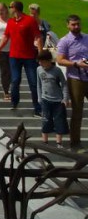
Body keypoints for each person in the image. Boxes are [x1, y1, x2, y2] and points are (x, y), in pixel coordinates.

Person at [0, 1, 43, 114]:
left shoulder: (30, 20)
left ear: (15, 8)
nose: (9, 9)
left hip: (29, 56)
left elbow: (38, 36)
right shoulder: (11, 22)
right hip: (14, 56)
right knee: (15, 80)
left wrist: (40, 54)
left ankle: (37, 108)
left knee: (33, 83)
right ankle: (14, 103)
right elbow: (6, 36)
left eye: (10, 7)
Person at [54, 15, 88, 149]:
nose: (76, 27)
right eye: (73, 24)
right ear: (68, 25)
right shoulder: (64, 41)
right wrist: (76, 64)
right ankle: (75, 142)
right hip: (76, 79)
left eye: (78, 24)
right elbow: (60, 60)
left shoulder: (86, 38)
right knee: (77, 111)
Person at [36, 49, 70, 146]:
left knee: (59, 121)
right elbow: (38, 84)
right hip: (45, 99)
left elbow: (64, 84)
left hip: (58, 100)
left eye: (42, 61)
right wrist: (39, 98)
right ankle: (45, 141)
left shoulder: (57, 70)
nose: (41, 63)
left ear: (49, 60)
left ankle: (59, 142)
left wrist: (65, 98)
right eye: (39, 61)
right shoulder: (38, 69)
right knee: (46, 120)